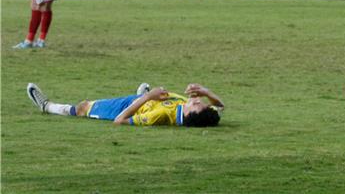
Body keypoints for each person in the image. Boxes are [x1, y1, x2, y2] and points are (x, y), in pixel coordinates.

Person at [26, 82, 223, 127]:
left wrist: (146, 98)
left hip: (126, 107)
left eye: (197, 105)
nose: (198, 101)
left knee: (82, 108)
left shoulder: (159, 116)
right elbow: (220, 107)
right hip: (144, 102)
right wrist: (206, 92)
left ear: (189, 116)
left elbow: (120, 121)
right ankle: (142, 94)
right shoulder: (190, 109)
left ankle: (47, 106)